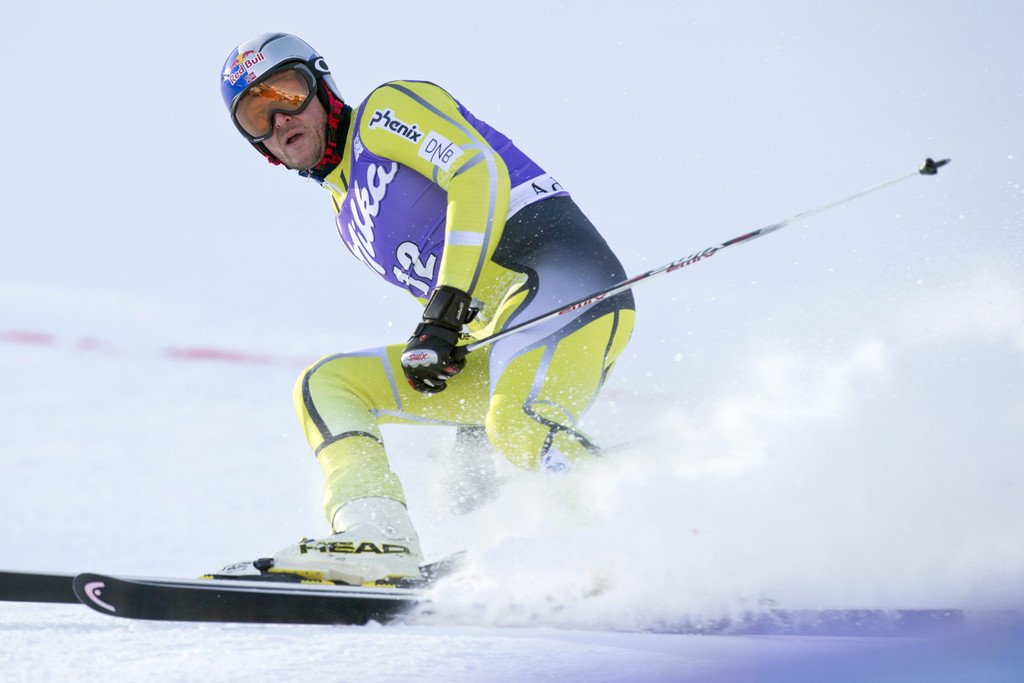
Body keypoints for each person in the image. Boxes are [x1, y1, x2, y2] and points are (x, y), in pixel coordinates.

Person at [220, 33, 635, 585]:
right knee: (329, 384)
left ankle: (645, 532)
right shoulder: (345, 213)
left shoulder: (383, 114)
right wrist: (467, 420)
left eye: (288, 94)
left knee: (517, 425)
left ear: (323, 87)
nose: (279, 120)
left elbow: (475, 169)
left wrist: (443, 313)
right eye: (256, 117)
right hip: (500, 335)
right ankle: (376, 537)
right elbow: (458, 298)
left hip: (566, 286)